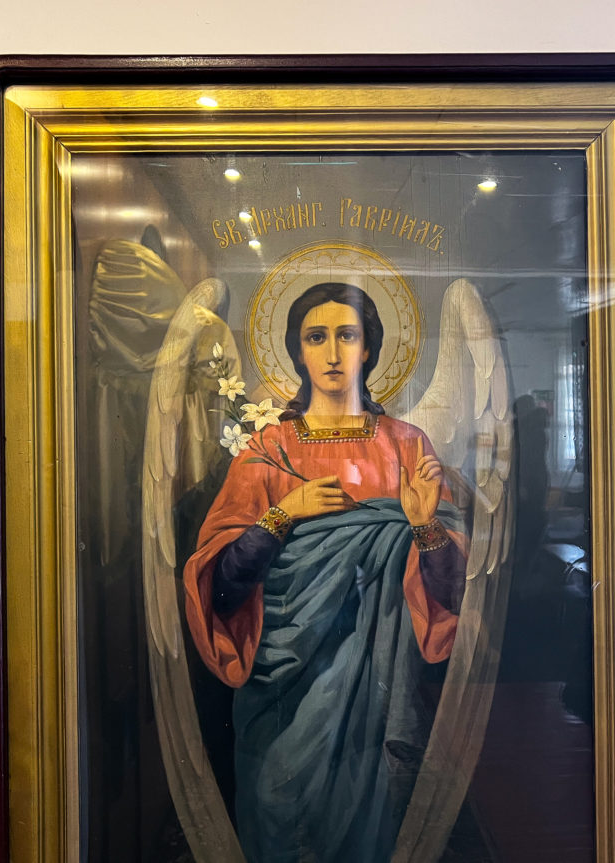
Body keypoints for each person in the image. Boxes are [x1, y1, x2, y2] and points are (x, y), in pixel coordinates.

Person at [183, 283, 468, 863]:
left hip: (378, 693)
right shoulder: (266, 452)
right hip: (282, 693)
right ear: (297, 350)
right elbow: (222, 587)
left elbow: (454, 590)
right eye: (317, 337)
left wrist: (423, 525)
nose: (334, 353)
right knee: (278, 812)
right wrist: (284, 514)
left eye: (348, 336)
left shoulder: (406, 446)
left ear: (370, 348)